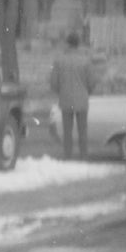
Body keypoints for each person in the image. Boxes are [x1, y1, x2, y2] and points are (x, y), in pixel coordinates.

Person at [49, 32, 95, 160]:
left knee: (67, 132)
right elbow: (92, 82)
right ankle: (83, 156)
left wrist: (61, 91)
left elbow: (53, 82)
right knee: (82, 131)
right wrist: (87, 91)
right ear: (78, 44)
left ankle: (68, 156)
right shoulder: (86, 61)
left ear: (67, 43)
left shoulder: (59, 60)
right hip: (82, 99)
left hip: (65, 99)